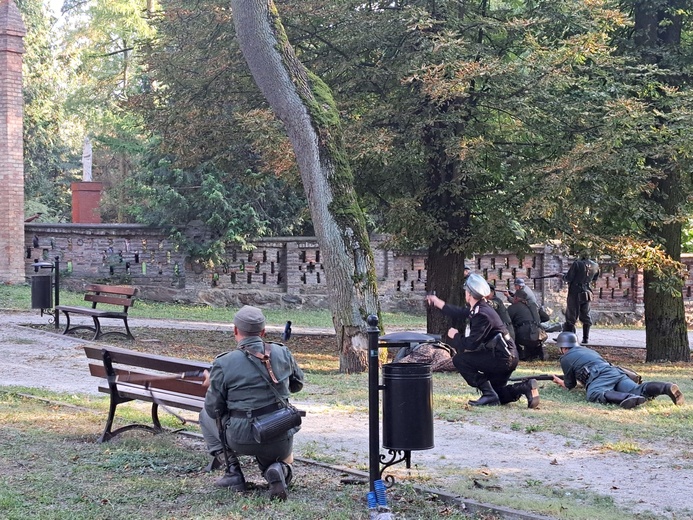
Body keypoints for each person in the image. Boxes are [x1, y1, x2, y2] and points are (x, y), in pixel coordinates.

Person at [199, 305, 305, 500]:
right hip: (279, 433)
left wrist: (211, 384)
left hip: (242, 438)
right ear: (263, 332)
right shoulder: (282, 352)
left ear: (235, 331)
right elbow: (297, 385)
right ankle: (278, 470)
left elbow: (213, 409)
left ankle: (233, 473)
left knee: (204, 416)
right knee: (276, 461)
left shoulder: (224, 363)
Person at [426, 273, 540, 408]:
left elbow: (471, 344)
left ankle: (487, 393)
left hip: (501, 357)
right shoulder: (481, 308)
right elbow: (459, 312)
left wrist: (455, 336)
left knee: (460, 360)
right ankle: (524, 387)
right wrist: (437, 302)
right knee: (498, 395)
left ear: (469, 294)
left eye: (466, 291)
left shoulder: (482, 314)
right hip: (507, 355)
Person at [552, 332, 684, 409]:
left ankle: (628, 398)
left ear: (563, 347)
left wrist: (559, 381)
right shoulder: (587, 350)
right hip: (614, 372)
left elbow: (570, 385)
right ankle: (666, 387)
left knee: (594, 394)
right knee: (638, 389)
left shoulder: (566, 358)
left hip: (599, 375)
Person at [562, 256, 600, 345]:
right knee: (585, 315)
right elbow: (594, 279)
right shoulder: (595, 266)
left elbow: (569, 278)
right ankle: (585, 338)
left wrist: (563, 276)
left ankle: (569, 339)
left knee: (571, 316)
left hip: (575, 292)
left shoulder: (577, 264)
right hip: (587, 291)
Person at [507, 288, 545, 361]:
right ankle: (536, 355)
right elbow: (546, 318)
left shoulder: (513, 307)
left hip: (524, 335)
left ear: (516, 298)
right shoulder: (534, 305)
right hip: (539, 335)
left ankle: (519, 354)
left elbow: (507, 321)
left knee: (510, 332)